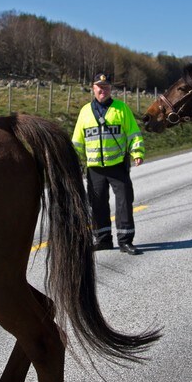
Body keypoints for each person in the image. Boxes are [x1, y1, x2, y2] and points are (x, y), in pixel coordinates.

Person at [72, 73, 145, 255]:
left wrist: (137, 152)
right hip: (94, 168)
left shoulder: (122, 109)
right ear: (93, 88)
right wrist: (73, 160)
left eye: (105, 86)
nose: (102, 89)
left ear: (110, 88)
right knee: (97, 204)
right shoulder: (85, 112)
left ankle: (125, 241)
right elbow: (78, 141)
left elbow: (133, 134)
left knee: (124, 203)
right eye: (99, 86)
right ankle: (103, 240)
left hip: (117, 165)